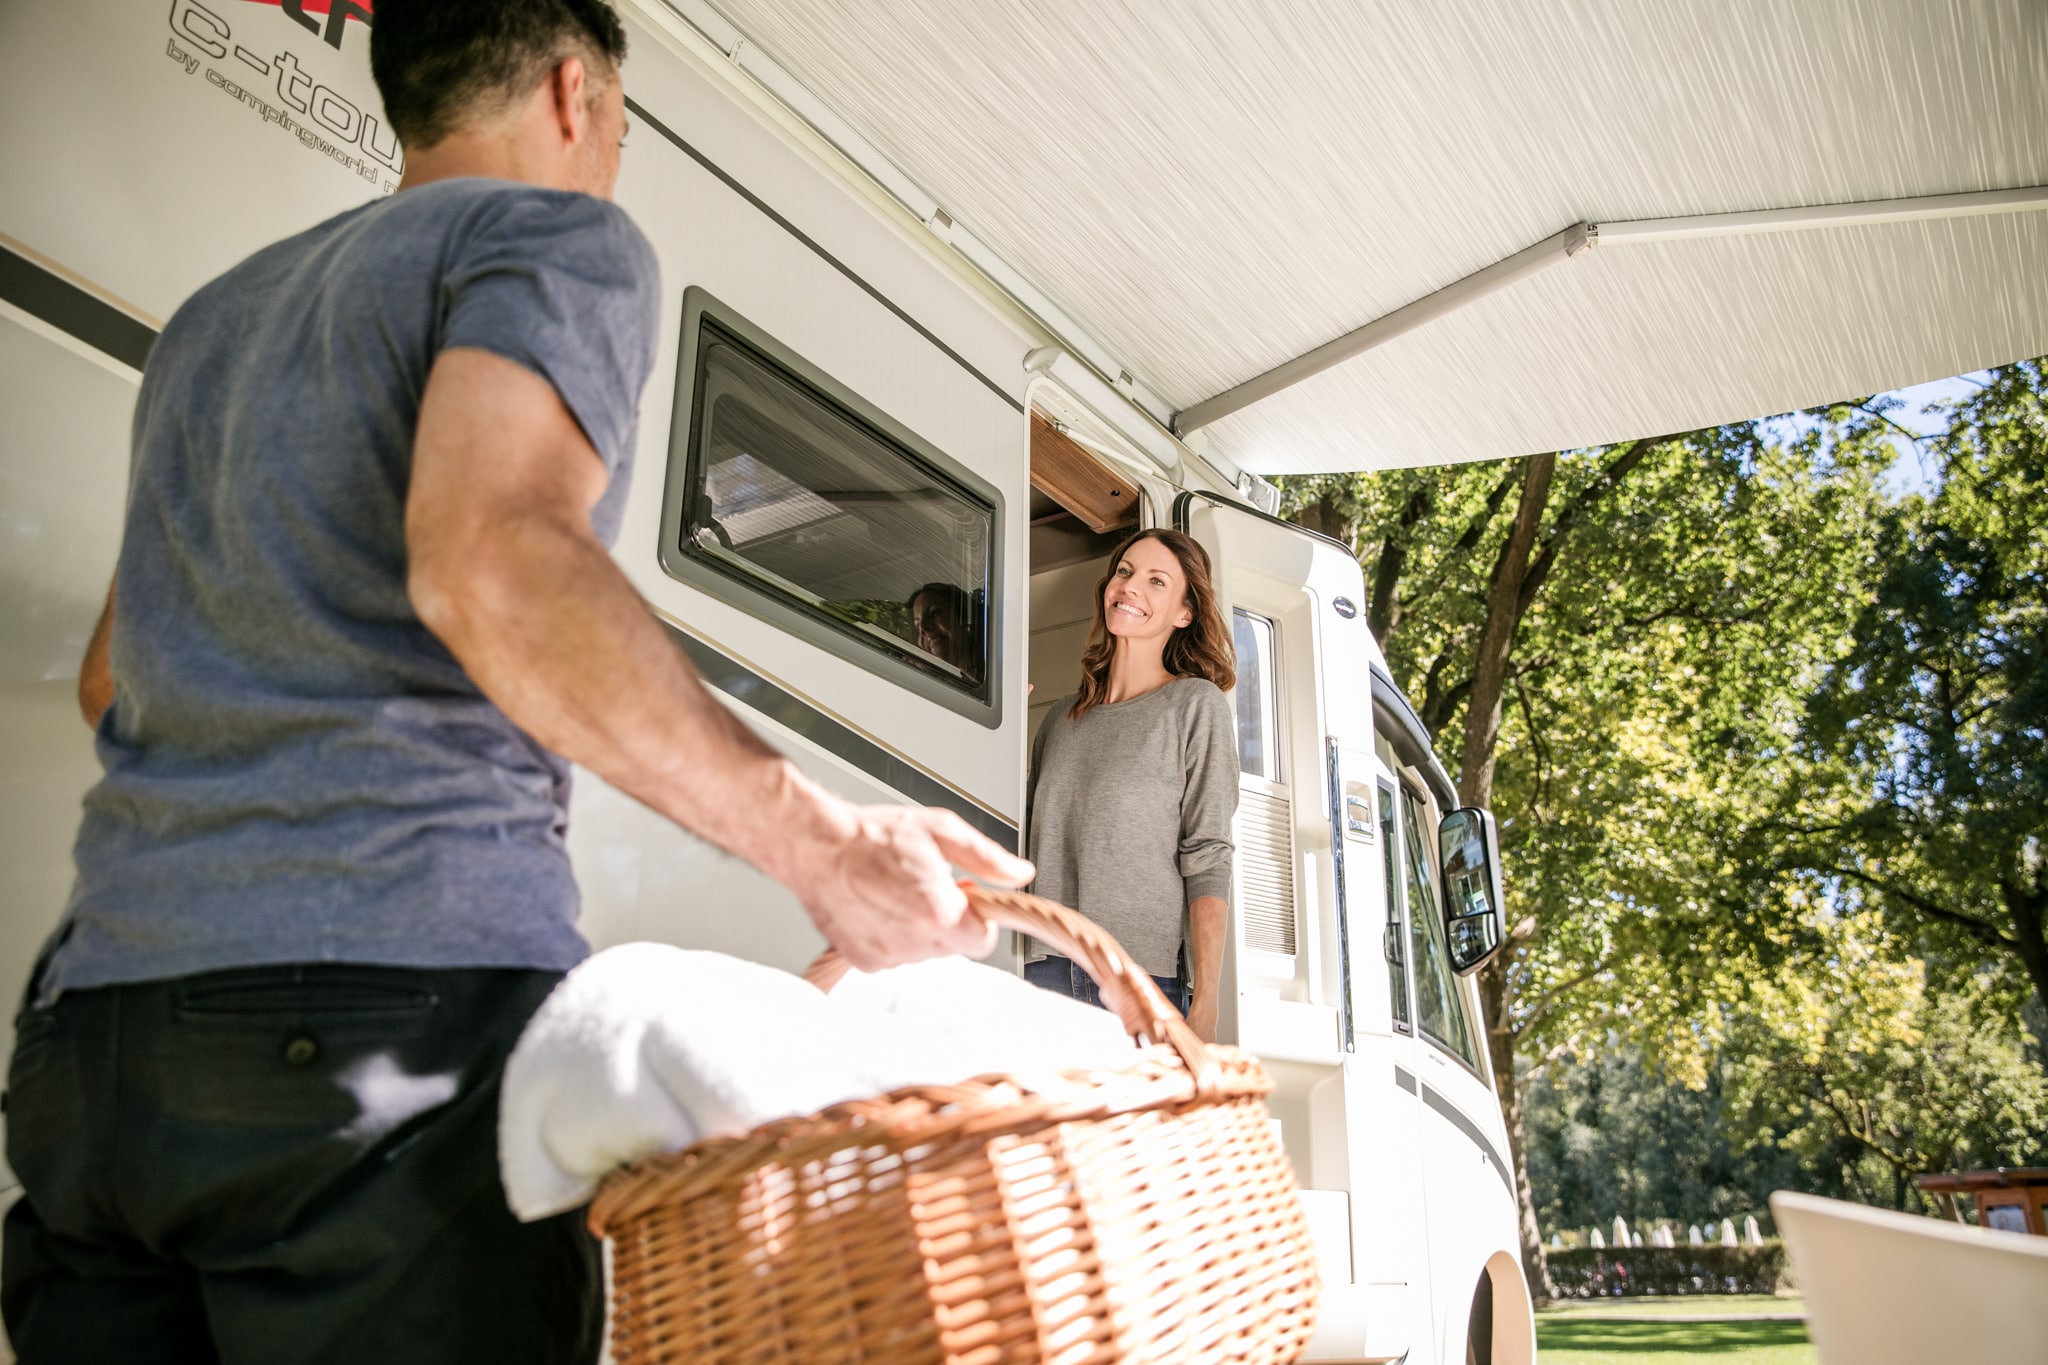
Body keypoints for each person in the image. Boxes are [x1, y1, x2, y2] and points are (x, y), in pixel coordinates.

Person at [0, 2, 1031, 1361]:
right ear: (574, 90)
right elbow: (491, 562)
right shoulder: (552, 237)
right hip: (376, 1047)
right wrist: (830, 847)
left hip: (94, 1051)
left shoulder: (215, 318)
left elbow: (109, 680)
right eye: (621, 119)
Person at [1023, 529, 1238, 1043]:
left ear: (1184, 613)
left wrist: (1206, 1002)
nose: (1131, 586)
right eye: (1124, 571)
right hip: (1041, 969)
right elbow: (1023, 839)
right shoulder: (1059, 718)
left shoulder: (1194, 706)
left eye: (1156, 580)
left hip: (1140, 979)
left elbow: (1208, 854)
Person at [906, 581, 985, 687]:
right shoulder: (917, 685)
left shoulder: (999, 669)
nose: (923, 628)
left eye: (934, 613)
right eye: (917, 625)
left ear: (964, 618)